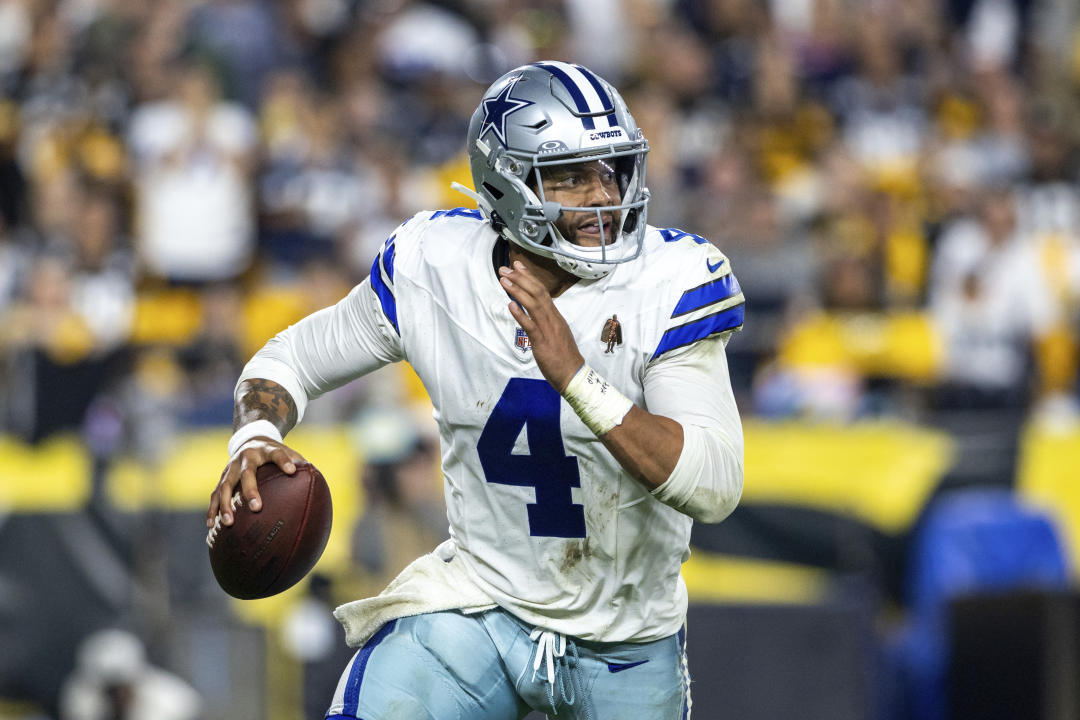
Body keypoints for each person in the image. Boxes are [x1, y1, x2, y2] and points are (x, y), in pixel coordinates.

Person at [207, 61, 746, 720]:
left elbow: (714, 485)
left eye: (610, 168)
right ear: (506, 183)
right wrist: (257, 434)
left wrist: (577, 377)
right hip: (480, 610)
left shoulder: (671, 281)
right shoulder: (436, 266)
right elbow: (292, 357)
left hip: (624, 642)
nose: (602, 194)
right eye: (571, 175)